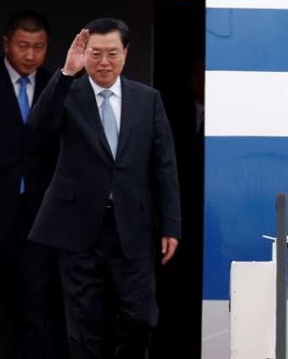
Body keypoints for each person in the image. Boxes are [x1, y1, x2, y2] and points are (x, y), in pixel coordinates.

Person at [28, 18, 181, 359]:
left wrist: (171, 224)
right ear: (85, 55)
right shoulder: (69, 93)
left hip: (132, 227)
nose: (103, 62)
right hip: (77, 228)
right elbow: (39, 123)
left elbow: (164, 165)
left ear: (125, 54)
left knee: (142, 317)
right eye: (95, 53)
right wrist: (67, 72)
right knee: (83, 324)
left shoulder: (148, 99)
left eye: (112, 53)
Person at [0, 10, 64, 359]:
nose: (30, 55)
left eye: (39, 47)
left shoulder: (56, 87)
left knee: (37, 301)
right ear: (6, 43)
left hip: (39, 218)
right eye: (22, 46)